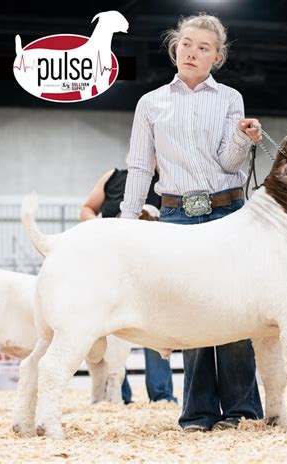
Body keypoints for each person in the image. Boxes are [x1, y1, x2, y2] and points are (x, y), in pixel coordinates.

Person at [119, 13, 264, 432]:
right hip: (175, 214)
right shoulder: (150, 103)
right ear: (174, 48)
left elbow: (229, 162)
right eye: (186, 43)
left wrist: (242, 137)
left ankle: (242, 411)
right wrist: (127, 223)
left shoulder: (230, 98)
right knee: (190, 315)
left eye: (203, 47)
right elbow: (139, 166)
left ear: (217, 58)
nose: (192, 52)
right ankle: (198, 413)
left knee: (236, 312)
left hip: (228, 211)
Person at [80, 167, 177, 404]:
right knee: (113, 328)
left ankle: (161, 395)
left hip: (151, 266)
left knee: (155, 326)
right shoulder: (113, 177)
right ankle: (118, 395)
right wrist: (104, 228)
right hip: (112, 266)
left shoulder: (168, 180)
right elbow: (86, 209)